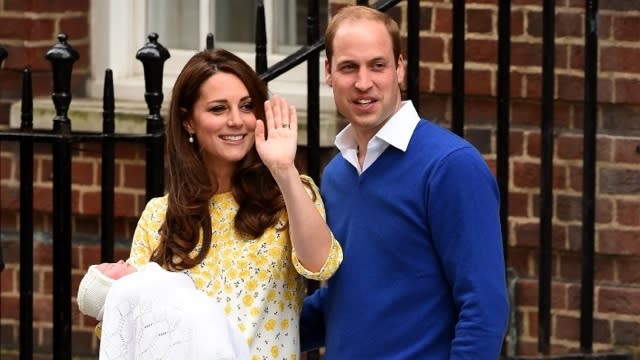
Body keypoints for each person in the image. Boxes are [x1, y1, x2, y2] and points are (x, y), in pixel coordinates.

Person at [300, 5, 509, 359]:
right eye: (349, 67)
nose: (363, 82)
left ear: (399, 68)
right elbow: (344, 300)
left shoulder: (451, 166)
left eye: (377, 65)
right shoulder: (337, 174)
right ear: (328, 73)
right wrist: (242, 328)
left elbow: (484, 308)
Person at [125, 48, 343, 359]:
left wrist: (283, 170)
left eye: (246, 106)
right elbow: (129, 323)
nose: (236, 121)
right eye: (218, 109)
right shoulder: (159, 215)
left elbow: (321, 263)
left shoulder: (289, 194)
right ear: (188, 121)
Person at [76, 260, 251, 360]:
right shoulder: (127, 293)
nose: (121, 261)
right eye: (111, 267)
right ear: (110, 290)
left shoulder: (156, 291)